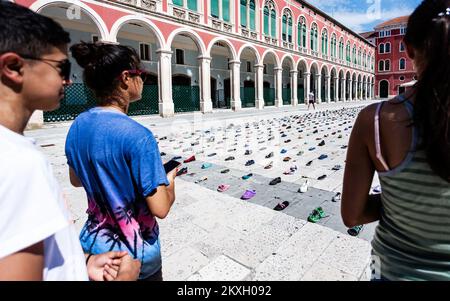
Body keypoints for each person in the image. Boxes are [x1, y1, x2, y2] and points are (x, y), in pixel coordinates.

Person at [0, 1, 140, 280]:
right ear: (14, 67)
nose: (69, 80)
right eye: (61, 68)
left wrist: (82, 261)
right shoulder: (17, 162)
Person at [341, 0, 450, 281]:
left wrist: (400, 201)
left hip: (387, 269)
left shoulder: (375, 120)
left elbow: (351, 217)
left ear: (409, 49)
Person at [65, 41, 177, 281]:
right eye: (142, 75)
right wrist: (170, 182)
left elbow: (76, 180)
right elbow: (161, 208)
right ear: (126, 77)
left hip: (93, 250)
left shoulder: (77, 125)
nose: (143, 81)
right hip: (136, 258)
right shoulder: (139, 136)